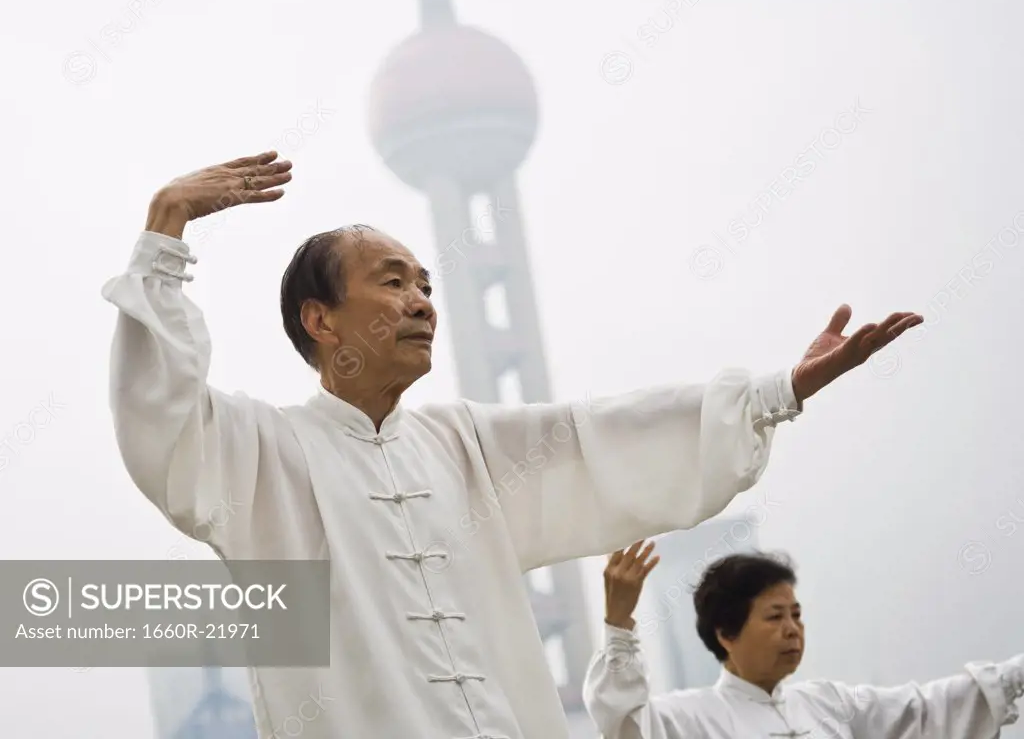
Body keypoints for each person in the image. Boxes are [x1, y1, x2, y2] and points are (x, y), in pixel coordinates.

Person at [102, 150, 921, 739]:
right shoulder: (260, 453)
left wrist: (780, 391)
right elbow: (162, 416)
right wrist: (166, 230)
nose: (423, 301)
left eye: (427, 283)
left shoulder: (465, 445)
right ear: (321, 320)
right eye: (392, 281)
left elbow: (600, 432)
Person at [584, 542, 1024, 738]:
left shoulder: (828, 705)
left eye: (796, 614)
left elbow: (926, 710)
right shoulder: (688, 720)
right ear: (726, 633)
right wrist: (618, 621)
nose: (793, 628)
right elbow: (623, 725)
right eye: (774, 616)